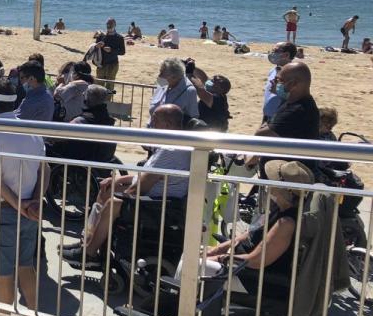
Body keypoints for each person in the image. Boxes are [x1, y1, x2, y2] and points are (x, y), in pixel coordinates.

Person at [63, 105, 190, 267]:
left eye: (154, 120)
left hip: (158, 205)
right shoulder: (175, 143)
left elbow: (140, 187)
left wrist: (121, 196)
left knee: (113, 202)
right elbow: (148, 176)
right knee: (106, 190)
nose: (150, 124)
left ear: (167, 124)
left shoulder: (171, 151)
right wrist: (117, 180)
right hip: (157, 197)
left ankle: (89, 253)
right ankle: (87, 240)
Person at [0, 79, 45, 309]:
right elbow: (45, 169)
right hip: (29, 210)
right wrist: (35, 202)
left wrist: (18, 205)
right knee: (25, 266)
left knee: (3, 274)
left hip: (2, 211)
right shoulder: (30, 129)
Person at [207, 160, 312, 299]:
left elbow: (256, 261)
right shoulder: (278, 209)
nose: (267, 183)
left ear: (282, 188)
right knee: (194, 255)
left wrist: (219, 258)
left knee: (193, 265)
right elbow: (250, 234)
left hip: (255, 279)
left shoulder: (287, 223)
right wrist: (218, 248)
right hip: (241, 264)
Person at [148, 58, 199, 122]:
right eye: (160, 71)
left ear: (174, 77)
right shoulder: (162, 84)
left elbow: (193, 118)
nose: (159, 75)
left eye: (162, 73)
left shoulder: (189, 91)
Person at [187, 62, 232, 132]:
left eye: (213, 81)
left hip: (213, 132)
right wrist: (191, 67)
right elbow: (203, 77)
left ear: (219, 89)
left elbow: (200, 90)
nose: (210, 82)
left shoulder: (217, 99)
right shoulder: (216, 92)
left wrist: (189, 74)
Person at [262, 42, 297, 122]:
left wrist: (279, 92)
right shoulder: (273, 70)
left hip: (280, 116)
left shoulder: (292, 74)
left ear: (286, 55)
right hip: (268, 112)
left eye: (275, 51)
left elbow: (295, 97)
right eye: (272, 50)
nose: (272, 53)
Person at [95, 18, 126, 90]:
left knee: (110, 86)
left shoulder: (119, 37)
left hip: (113, 64)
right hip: (101, 64)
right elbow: (95, 48)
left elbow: (122, 52)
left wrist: (111, 50)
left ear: (115, 25)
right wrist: (97, 45)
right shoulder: (101, 36)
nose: (109, 25)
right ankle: (99, 97)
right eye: (107, 24)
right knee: (99, 85)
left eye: (111, 24)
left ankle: (109, 97)